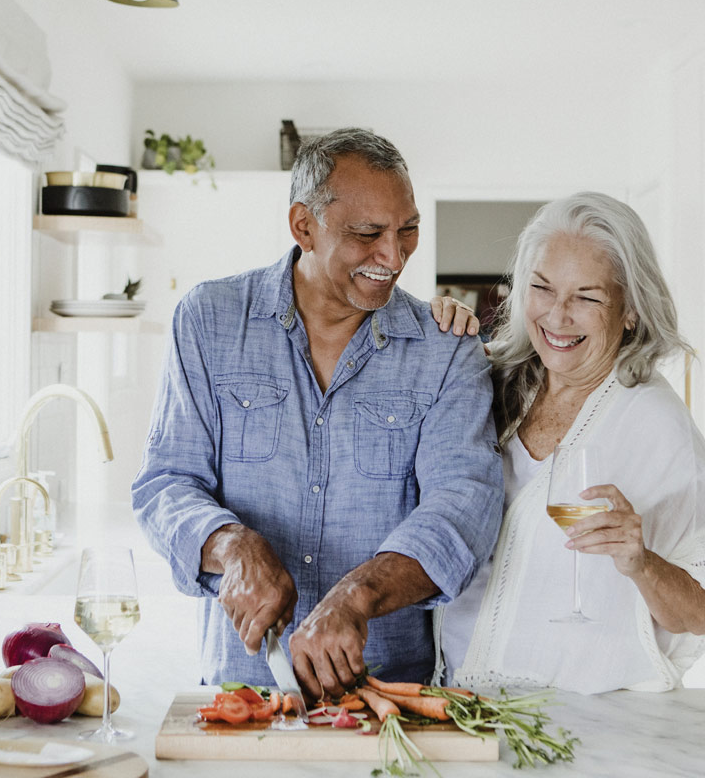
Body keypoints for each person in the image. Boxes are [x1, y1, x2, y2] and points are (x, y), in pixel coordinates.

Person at [132, 128, 503, 699]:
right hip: (240, 691)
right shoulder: (208, 321)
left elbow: (463, 509)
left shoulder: (447, 348)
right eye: (367, 234)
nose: (394, 256)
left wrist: (357, 596)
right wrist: (231, 545)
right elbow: (165, 483)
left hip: (387, 697)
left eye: (408, 231)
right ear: (303, 226)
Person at [432, 191, 705, 695]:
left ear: (630, 310)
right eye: (543, 288)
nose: (557, 315)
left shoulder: (656, 425)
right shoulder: (492, 382)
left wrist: (641, 561)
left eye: (587, 297)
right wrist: (434, 331)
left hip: (579, 721)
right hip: (456, 700)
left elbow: (700, 612)